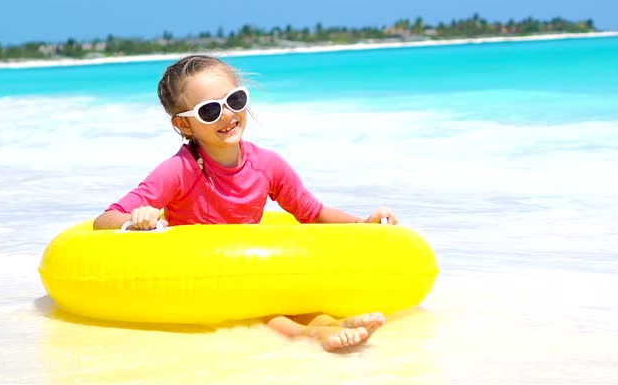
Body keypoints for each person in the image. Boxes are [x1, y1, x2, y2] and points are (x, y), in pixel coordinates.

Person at [93, 54, 399, 351]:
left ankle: (331, 323)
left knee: (286, 289)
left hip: (248, 271)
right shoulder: (179, 170)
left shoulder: (267, 165)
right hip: (199, 275)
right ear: (185, 126)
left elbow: (313, 214)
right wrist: (136, 219)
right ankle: (306, 336)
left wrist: (363, 225)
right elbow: (104, 220)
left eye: (234, 101)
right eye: (209, 111)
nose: (227, 115)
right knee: (257, 302)